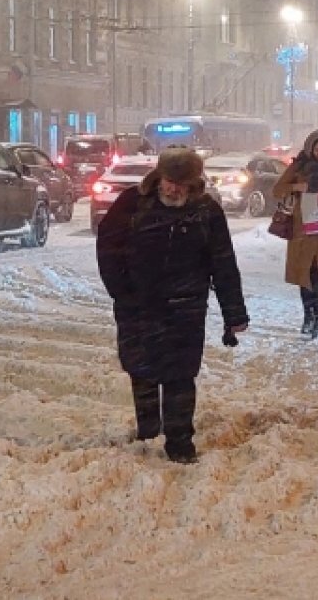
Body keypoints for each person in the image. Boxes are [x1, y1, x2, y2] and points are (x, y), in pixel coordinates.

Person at [95, 147, 249, 465]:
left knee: (180, 375)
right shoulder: (132, 204)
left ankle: (180, 443)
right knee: (142, 371)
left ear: (193, 183)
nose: (174, 189)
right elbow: (108, 248)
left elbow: (223, 262)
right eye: (169, 181)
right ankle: (148, 432)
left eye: (182, 184)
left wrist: (234, 313)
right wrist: (121, 291)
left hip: (185, 308)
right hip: (138, 306)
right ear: (159, 177)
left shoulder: (206, 211)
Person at [272, 130, 318, 340]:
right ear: (309, 149)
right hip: (302, 230)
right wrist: (298, 186)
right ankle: (308, 315)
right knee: (305, 276)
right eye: (316, 149)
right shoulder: (299, 166)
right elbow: (277, 190)